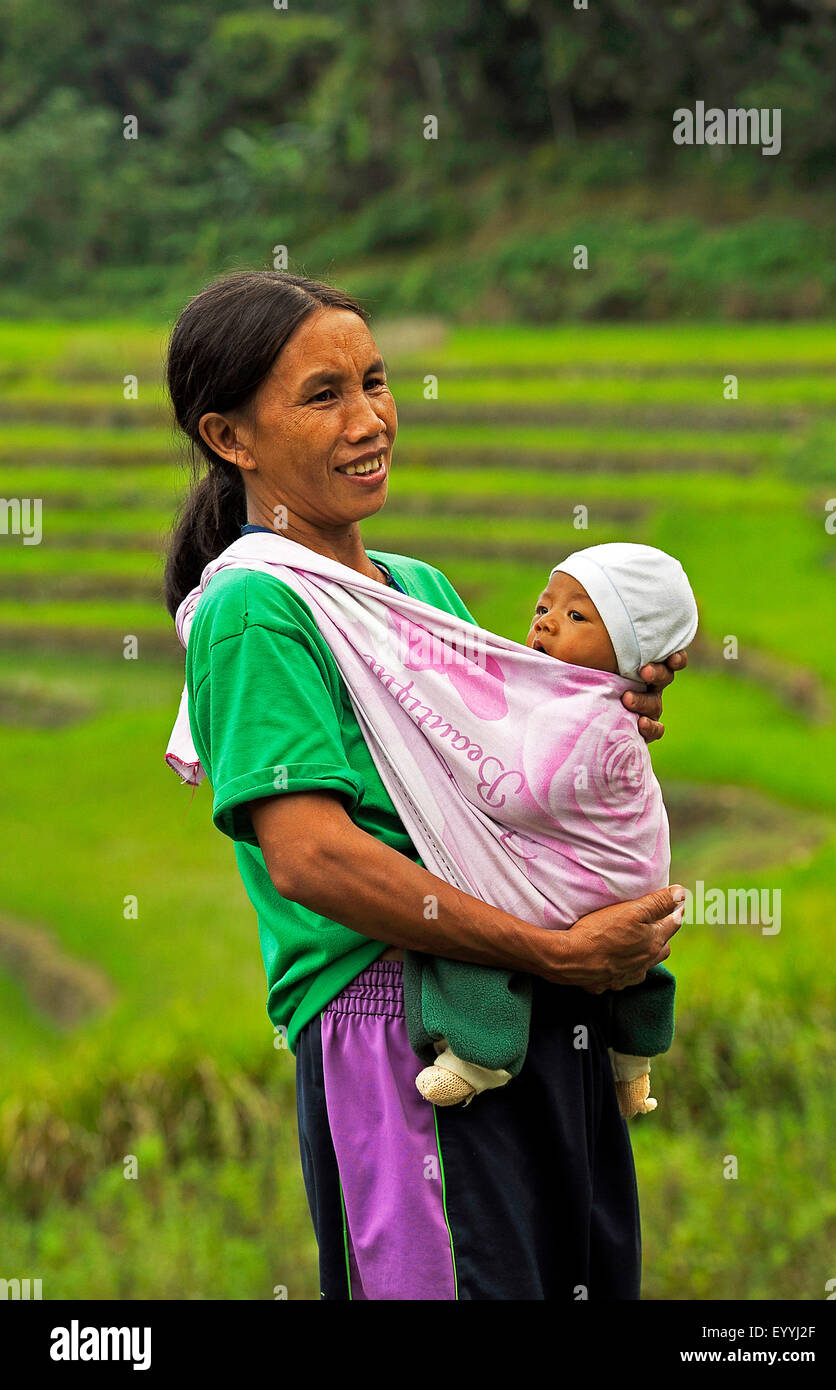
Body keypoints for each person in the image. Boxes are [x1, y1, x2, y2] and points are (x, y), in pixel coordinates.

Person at [163, 269, 688, 1301]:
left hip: (533, 1011)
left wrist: (606, 714)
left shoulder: (417, 591)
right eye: (323, 397)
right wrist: (552, 948)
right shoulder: (258, 612)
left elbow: (505, 787)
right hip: (399, 1033)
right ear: (232, 438)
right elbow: (309, 856)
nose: (368, 421)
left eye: (375, 381)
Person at [409, 541, 699, 1116]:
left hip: (584, 878)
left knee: (472, 913)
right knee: (641, 969)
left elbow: (533, 788)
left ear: (630, 651)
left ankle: (477, 1057)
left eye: (575, 616)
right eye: (544, 608)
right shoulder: (603, 702)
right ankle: (632, 1070)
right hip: (635, 880)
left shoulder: (594, 711)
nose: (544, 621)